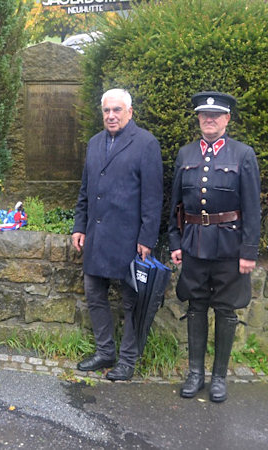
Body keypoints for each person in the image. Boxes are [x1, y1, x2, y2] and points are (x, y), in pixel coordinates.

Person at [169, 91, 260, 402]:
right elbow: (176, 205)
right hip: (193, 243)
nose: (209, 119)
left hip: (229, 246)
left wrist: (249, 251)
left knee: (225, 309)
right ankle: (195, 374)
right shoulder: (185, 155)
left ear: (227, 119)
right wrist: (174, 241)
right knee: (195, 307)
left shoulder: (243, 154)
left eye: (216, 115)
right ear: (198, 119)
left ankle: (219, 377)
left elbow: (252, 207)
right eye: (204, 115)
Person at [72, 88, 163, 381]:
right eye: (107, 111)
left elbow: (152, 197)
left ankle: (127, 359)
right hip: (97, 235)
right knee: (94, 293)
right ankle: (105, 352)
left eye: (117, 110)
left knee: (131, 302)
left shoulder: (146, 143)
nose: (111, 116)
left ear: (130, 112)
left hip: (129, 239)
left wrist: (147, 238)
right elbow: (85, 191)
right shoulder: (95, 143)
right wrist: (79, 226)